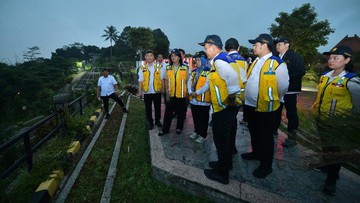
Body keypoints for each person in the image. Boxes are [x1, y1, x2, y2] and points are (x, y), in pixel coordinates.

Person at [312, 46, 360, 196]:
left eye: (336, 58)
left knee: (336, 152)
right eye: (330, 57)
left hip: (338, 124)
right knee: (326, 147)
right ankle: (326, 166)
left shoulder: (351, 80)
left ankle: (332, 179)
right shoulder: (325, 75)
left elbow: (358, 106)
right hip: (322, 119)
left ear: (347, 60)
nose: (331, 60)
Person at [241, 33, 289, 178]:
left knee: (266, 136)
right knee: (254, 132)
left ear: (264, 45)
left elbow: (283, 87)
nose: (253, 47)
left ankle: (266, 165)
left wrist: (273, 99)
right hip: (250, 105)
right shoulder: (255, 61)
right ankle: (256, 153)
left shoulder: (277, 63)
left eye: (255, 45)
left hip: (266, 107)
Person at [199, 35, 241, 184]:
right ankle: (225, 164)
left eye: (206, 48)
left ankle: (222, 174)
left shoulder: (219, 60)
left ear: (213, 46)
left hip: (223, 108)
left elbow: (233, 77)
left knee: (221, 140)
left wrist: (230, 100)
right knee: (224, 139)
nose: (205, 51)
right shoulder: (221, 59)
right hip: (223, 108)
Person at [274, 37, 305, 147]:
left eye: (279, 44)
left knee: (291, 113)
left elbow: (301, 71)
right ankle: (274, 130)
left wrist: (286, 79)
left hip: (290, 89)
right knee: (276, 110)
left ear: (287, 44)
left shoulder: (295, 56)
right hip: (278, 89)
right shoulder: (276, 57)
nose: (277, 46)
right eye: (276, 44)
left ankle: (292, 137)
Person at [225, 38, 248, 155]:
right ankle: (232, 147)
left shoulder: (224, 59)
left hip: (226, 97)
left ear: (225, 48)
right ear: (238, 48)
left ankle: (228, 149)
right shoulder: (244, 61)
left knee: (226, 124)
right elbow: (244, 80)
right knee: (232, 121)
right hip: (239, 97)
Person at [158, 49, 189, 136]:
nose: (173, 57)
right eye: (172, 56)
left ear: (179, 57)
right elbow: (166, 80)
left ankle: (179, 128)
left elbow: (188, 82)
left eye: (175, 55)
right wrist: (166, 93)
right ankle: (165, 129)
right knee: (168, 113)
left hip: (181, 95)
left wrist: (187, 94)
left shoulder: (185, 68)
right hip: (171, 95)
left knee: (181, 113)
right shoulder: (168, 68)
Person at [188, 51, 211, 143]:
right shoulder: (194, 72)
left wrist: (196, 92)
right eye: (195, 60)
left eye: (198, 60)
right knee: (196, 117)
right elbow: (189, 83)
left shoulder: (208, 72)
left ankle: (203, 134)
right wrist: (190, 92)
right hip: (194, 100)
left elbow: (207, 85)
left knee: (203, 119)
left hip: (203, 100)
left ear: (204, 60)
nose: (196, 62)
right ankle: (197, 131)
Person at [137, 50, 163, 130]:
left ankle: (157, 121)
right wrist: (140, 91)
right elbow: (140, 80)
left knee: (157, 107)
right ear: (145, 57)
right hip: (147, 91)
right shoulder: (142, 68)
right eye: (147, 56)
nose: (149, 57)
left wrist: (164, 89)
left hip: (157, 91)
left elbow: (162, 79)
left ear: (153, 57)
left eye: (151, 55)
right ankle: (150, 122)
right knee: (148, 108)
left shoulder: (159, 67)